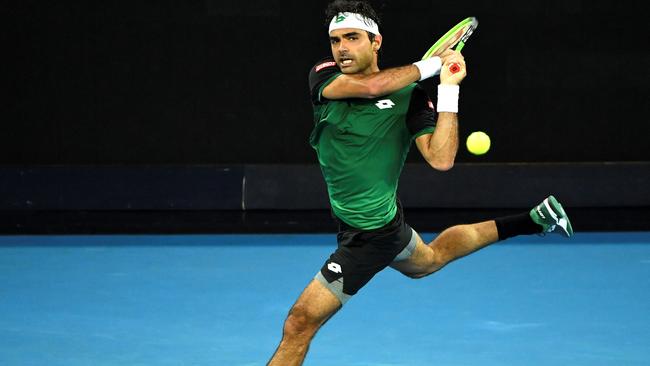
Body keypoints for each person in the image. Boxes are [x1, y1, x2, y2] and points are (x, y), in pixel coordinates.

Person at [268, 1, 573, 365]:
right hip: (376, 221)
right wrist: (432, 64)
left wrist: (448, 88)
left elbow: (441, 158)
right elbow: (373, 87)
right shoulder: (324, 75)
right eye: (335, 40)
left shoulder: (411, 98)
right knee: (427, 261)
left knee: (299, 323)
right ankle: (534, 219)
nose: (342, 48)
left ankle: (532, 221)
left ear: (375, 42)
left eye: (352, 38)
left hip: (371, 236)